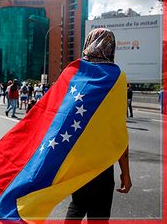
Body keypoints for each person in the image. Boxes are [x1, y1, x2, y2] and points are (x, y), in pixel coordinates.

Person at [64, 28, 131, 223]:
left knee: (76, 207)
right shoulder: (117, 78)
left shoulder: (74, 73)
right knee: (99, 216)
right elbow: (118, 130)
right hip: (102, 165)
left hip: (76, 162)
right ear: (111, 47)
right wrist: (125, 172)